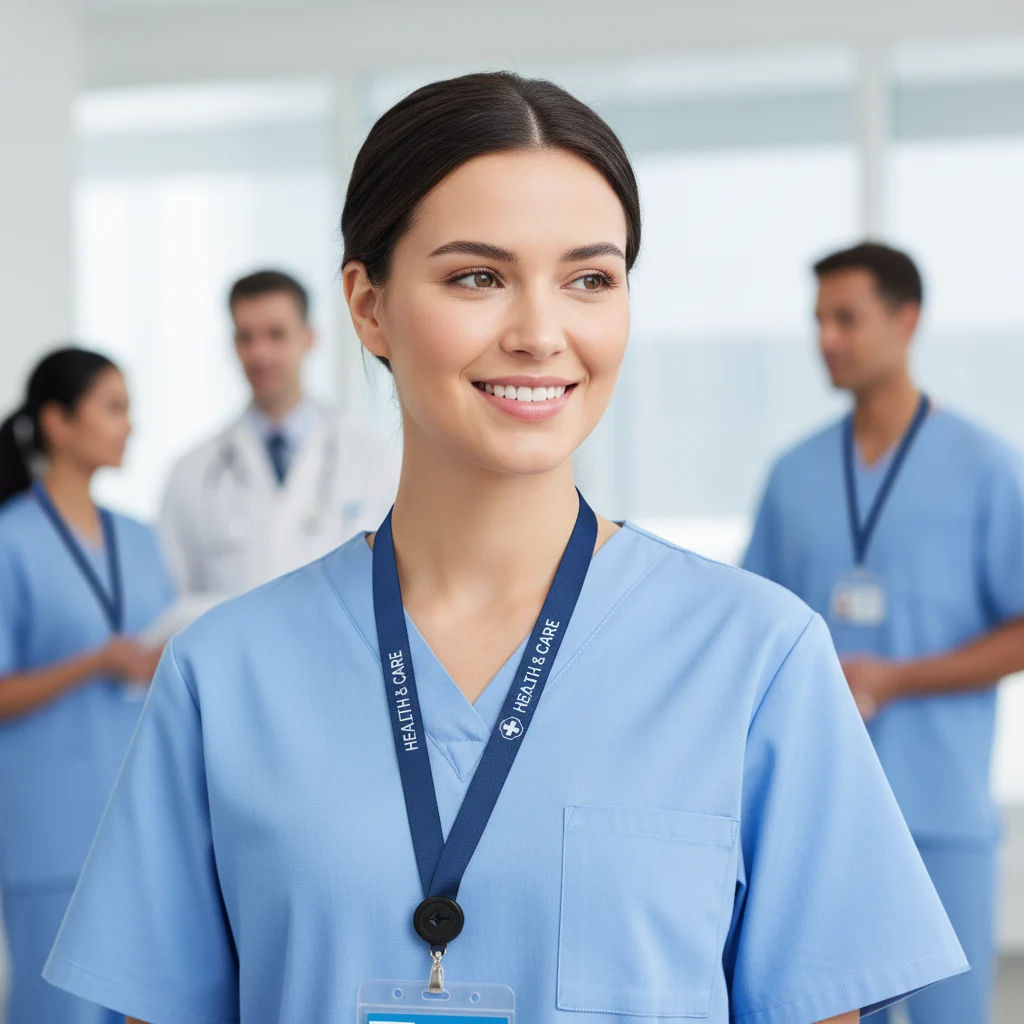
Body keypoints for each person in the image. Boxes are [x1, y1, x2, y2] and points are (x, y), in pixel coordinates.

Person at [45, 74, 967, 1024]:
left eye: (590, 279)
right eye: (477, 276)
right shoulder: (223, 675)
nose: (539, 333)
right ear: (368, 306)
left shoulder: (757, 659)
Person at [742, 242, 1024, 1024]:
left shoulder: (987, 467)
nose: (826, 339)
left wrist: (897, 679)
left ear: (907, 320)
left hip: (937, 814)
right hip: (814, 816)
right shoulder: (792, 474)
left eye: (846, 319)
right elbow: (753, 626)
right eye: (818, 322)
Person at [0, 347, 175, 1024]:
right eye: (114, 408)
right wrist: (94, 662)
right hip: (50, 834)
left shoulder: (140, 538)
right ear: (58, 422)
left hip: (135, 823)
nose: (129, 425)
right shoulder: (11, 540)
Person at [159, 269, 399, 597]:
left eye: (276, 334)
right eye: (246, 337)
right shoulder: (192, 473)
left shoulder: (373, 458)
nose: (260, 354)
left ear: (309, 338)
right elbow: (172, 605)